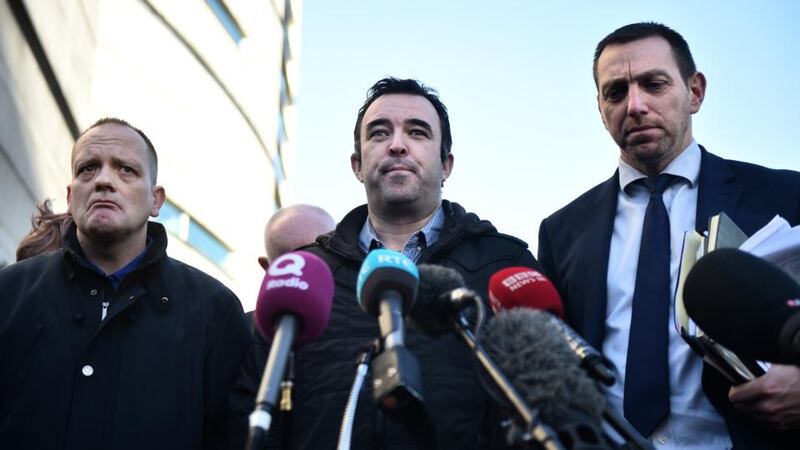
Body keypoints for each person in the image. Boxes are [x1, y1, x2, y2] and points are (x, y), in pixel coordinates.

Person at [537, 22, 800, 450]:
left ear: (695, 92)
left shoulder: (784, 195)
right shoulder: (561, 231)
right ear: (600, 108)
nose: (635, 105)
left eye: (653, 84)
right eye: (616, 92)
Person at [258, 77, 539, 450]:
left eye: (417, 132)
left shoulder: (505, 265)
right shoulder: (307, 276)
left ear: (446, 165)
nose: (397, 145)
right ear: (357, 165)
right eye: (379, 133)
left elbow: (541, 402)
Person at [0, 118, 250, 450]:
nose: (103, 180)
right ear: (71, 197)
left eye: (126, 170)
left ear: (155, 200)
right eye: (88, 169)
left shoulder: (214, 310)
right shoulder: (9, 293)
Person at [228, 203, 336, 449]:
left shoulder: (367, 322)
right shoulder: (243, 335)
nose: (304, 274)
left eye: (321, 258)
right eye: (294, 262)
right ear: (268, 268)